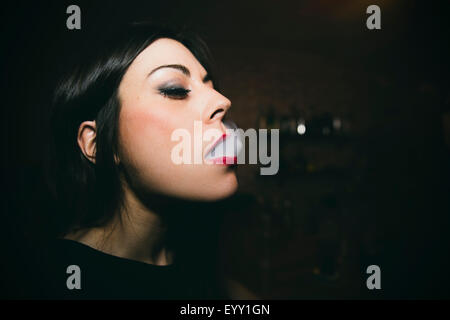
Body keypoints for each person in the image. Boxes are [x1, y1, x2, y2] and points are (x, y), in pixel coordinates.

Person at [29, 21, 240, 299]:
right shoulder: (52, 280)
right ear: (97, 143)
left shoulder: (192, 249)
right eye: (175, 89)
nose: (222, 101)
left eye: (209, 85)